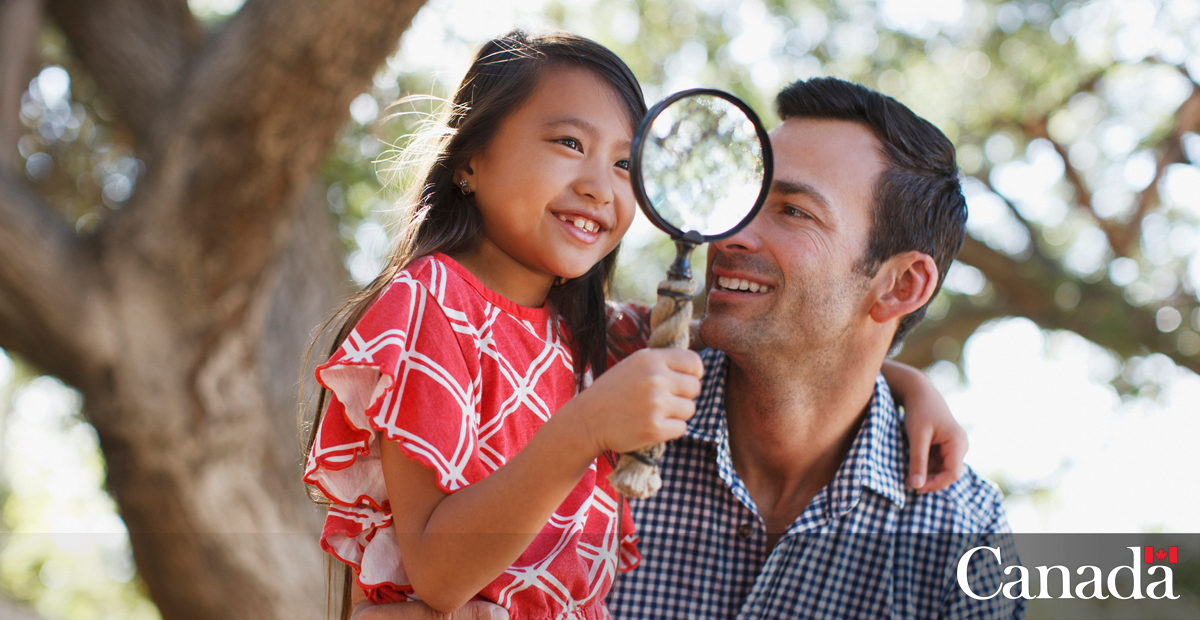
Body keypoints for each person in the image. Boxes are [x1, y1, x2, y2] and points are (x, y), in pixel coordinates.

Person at [307, 31, 968, 620]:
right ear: (469, 159)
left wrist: (900, 383)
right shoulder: (436, 305)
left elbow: (801, 348)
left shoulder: (594, 338)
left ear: (900, 288)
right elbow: (437, 573)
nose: (600, 186)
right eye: (569, 143)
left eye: (625, 165)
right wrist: (589, 426)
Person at [605, 77, 1024, 619]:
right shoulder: (604, 395)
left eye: (794, 211)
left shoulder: (963, 538)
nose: (730, 232)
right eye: (749, 196)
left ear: (900, 286)